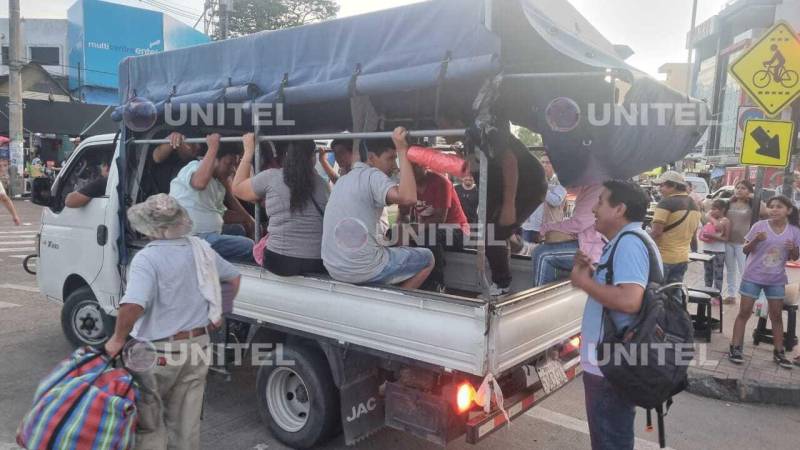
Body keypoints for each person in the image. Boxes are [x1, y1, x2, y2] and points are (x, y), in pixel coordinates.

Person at [105, 194, 240, 450]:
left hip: (158, 351)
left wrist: (117, 339)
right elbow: (233, 278)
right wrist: (219, 312)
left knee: (149, 423)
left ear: (150, 226)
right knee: (187, 425)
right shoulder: (201, 250)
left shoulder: (148, 258)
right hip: (198, 346)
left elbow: (133, 304)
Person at [571, 179, 661, 450]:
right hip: (614, 360)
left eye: (601, 202)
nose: (595, 209)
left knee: (610, 442)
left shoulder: (629, 243)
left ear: (619, 209)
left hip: (610, 364)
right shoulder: (627, 240)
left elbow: (630, 300)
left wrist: (583, 282)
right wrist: (593, 271)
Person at [321, 127, 435, 289]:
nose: (394, 165)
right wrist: (402, 151)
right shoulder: (373, 176)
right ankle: (397, 301)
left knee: (392, 243)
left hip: (334, 268)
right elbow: (408, 198)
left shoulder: (343, 180)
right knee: (428, 258)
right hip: (363, 269)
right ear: (371, 157)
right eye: (390, 158)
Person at [232, 133, 329, 276]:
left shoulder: (271, 177)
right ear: (312, 158)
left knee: (262, 241)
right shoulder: (323, 185)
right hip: (316, 262)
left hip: (279, 261)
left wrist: (248, 152)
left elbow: (237, 188)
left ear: (285, 157)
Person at [728, 195, 798, 370]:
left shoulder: (794, 231)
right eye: (771, 206)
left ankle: (779, 352)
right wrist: (756, 240)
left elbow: (795, 257)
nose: (774, 209)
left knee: (776, 315)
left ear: (788, 211)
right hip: (753, 276)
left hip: (776, 279)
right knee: (744, 312)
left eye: (779, 207)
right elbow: (745, 249)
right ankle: (735, 348)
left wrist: (793, 249)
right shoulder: (759, 226)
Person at [170, 133, 255, 263]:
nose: (233, 169)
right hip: (191, 238)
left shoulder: (218, 184)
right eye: (229, 163)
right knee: (250, 246)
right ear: (214, 158)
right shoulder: (194, 167)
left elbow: (220, 214)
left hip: (208, 235)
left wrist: (249, 220)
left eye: (235, 164)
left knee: (239, 229)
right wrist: (213, 147)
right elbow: (199, 183)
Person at [397, 162, 469, 290]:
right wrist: (402, 227)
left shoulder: (441, 183)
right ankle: (400, 279)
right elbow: (403, 215)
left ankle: (436, 284)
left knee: (429, 236)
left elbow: (440, 218)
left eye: (415, 166)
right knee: (394, 234)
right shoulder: (408, 185)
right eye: (408, 167)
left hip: (457, 230)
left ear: (425, 166)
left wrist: (413, 229)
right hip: (427, 229)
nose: (411, 171)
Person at [532, 184, 604, 286]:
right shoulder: (591, 187)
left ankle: (539, 300)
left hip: (595, 249)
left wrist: (546, 228)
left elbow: (579, 223)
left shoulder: (595, 189)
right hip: (588, 243)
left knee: (542, 254)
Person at [649, 171, 702, 284]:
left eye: (662, 185)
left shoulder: (666, 203)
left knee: (656, 295)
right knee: (674, 295)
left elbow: (656, 233)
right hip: (682, 258)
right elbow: (693, 234)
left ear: (673, 186)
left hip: (663, 258)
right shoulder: (694, 204)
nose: (659, 189)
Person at [724, 180, 767, 304]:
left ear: (749, 191)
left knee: (745, 270)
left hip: (744, 243)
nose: (739, 190)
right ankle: (731, 295)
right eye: (737, 187)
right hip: (728, 241)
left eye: (743, 188)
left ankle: (749, 297)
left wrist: (754, 197)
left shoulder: (752, 205)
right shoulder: (729, 204)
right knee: (730, 269)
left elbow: (764, 212)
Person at [522, 155, 566, 245]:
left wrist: (541, 185)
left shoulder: (560, 183)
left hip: (547, 230)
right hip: (528, 227)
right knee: (525, 255)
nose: (544, 165)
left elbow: (555, 201)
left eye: (548, 162)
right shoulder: (532, 182)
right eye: (542, 162)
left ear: (554, 166)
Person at [700, 199, 730, 293]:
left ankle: (716, 294)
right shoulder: (710, 220)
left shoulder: (725, 221)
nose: (712, 211)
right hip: (707, 249)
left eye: (715, 209)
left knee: (718, 274)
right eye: (711, 209)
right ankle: (707, 291)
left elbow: (724, 236)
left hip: (718, 251)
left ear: (723, 210)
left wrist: (710, 217)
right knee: (707, 273)